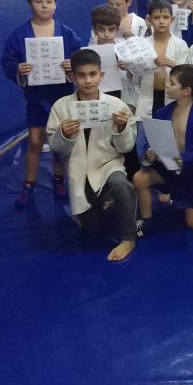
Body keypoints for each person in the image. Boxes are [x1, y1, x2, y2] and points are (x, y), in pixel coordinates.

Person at [46, 49, 137, 261]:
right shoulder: (61, 107)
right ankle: (99, 201)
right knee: (91, 229)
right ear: (72, 77)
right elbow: (57, 150)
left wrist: (121, 128)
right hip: (79, 169)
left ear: (101, 75)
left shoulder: (116, 105)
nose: (88, 80)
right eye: (81, 75)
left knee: (121, 184)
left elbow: (125, 148)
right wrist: (63, 134)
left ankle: (128, 238)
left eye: (93, 74)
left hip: (108, 164)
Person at [1, 0, 83, 209]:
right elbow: (8, 60)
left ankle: (58, 180)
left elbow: (80, 54)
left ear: (55, 4)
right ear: (30, 4)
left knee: (59, 141)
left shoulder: (66, 32)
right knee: (35, 141)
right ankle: (29, 185)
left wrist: (73, 64)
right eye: (39, 1)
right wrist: (18, 68)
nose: (44, 6)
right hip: (36, 96)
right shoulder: (20, 34)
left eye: (49, 1)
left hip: (61, 95)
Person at [133, 64, 193, 235]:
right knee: (139, 178)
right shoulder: (162, 112)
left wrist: (182, 160)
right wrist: (149, 152)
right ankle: (146, 220)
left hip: (192, 174)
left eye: (172, 83)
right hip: (166, 168)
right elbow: (153, 140)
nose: (166, 85)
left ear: (186, 91)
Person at [87, 4, 140, 179]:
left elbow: (138, 78)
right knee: (101, 141)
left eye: (111, 30)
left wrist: (129, 67)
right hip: (99, 101)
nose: (106, 34)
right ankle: (101, 178)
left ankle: (132, 178)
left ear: (117, 29)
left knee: (126, 139)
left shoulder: (125, 49)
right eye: (101, 29)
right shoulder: (88, 53)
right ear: (94, 30)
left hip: (124, 99)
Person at [134, 0, 190, 120]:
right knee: (146, 130)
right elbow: (135, 78)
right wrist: (128, 66)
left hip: (171, 98)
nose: (161, 21)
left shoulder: (180, 44)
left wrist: (171, 63)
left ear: (172, 19)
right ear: (149, 20)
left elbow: (187, 76)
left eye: (165, 17)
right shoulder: (142, 44)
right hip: (147, 96)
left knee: (170, 130)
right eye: (156, 17)